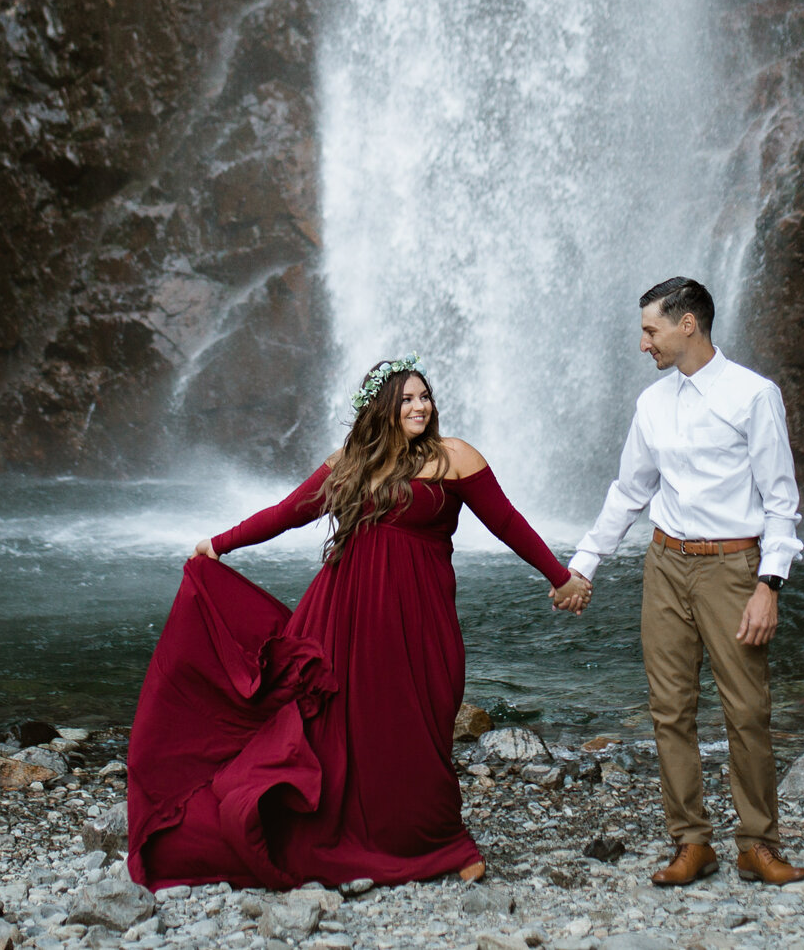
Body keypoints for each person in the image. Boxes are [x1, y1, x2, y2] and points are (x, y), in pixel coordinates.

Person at [125, 356, 586, 890]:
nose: (419, 407)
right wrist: (221, 545)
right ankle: (417, 845)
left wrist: (561, 576)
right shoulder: (353, 461)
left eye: (424, 397)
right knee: (346, 729)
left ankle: (431, 836)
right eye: (407, 399)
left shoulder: (455, 458)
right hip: (344, 613)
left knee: (423, 720)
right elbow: (288, 511)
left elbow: (507, 521)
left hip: (421, 616)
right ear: (383, 410)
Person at [554, 277, 804, 887]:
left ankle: (758, 844)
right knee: (670, 711)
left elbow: (781, 500)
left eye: (651, 330)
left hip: (733, 568)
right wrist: (584, 564)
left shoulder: (754, 395)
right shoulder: (652, 404)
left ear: (687, 324)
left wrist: (769, 584)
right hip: (665, 565)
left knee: (746, 710)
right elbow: (630, 492)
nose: (644, 344)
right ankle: (692, 843)